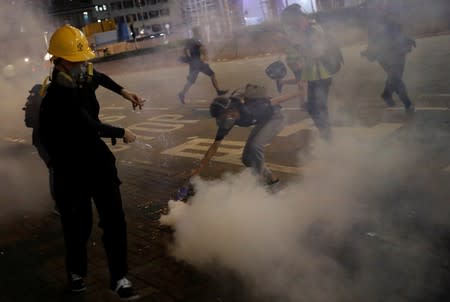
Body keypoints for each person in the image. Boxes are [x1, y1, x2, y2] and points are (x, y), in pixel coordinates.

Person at [38, 24, 140, 300]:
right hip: (70, 170)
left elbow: (100, 77)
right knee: (77, 226)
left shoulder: (81, 76)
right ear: (59, 63)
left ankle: (119, 277)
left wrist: (124, 91)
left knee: (115, 222)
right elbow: (87, 125)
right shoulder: (55, 95)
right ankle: (76, 274)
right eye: (76, 62)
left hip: (97, 163)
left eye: (84, 61)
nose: (84, 67)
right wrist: (121, 132)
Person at [189, 84, 302, 185]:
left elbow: (277, 100)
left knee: (256, 146)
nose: (222, 121)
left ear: (230, 111)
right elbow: (215, 146)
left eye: (222, 116)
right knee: (247, 159)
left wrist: (299, 93)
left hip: (276, 117)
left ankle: (271, 180)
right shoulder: (228, 120)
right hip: (263, 120)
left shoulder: (251, 108)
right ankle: (264, 175)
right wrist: (199, 169)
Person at [280, 4, 334, 141]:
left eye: (290, 21)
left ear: (298, 17)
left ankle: (328, 140)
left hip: (322, 75)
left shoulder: (313, 29)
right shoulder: (303, 31)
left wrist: (291, 43)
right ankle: (327, 137)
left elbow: (314, 52)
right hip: (313, 76)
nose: (290, 25)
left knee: (320, 109)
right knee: (312, 108)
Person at [361, 0, 415, 113]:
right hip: (384, 54)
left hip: (399, 50)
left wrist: (407, 39)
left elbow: (400, 29)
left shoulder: (393, 11)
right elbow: (373, 37)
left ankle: (386, 94)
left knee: (394, 76)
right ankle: (407, 103)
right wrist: (369, 51)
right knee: (395, 77)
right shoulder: (373, 18)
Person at [178, 27, 228, 104]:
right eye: (198, 31)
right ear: (195, 32)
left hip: (198, 62)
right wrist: (189, 59)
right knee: (193, 81)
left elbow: (201, 49)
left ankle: (182, 94)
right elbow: (185, 50)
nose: (200, 32)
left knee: (210, 75)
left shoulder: (197, 40)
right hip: (195, 63)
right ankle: (182, 94)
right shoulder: (192, 41)